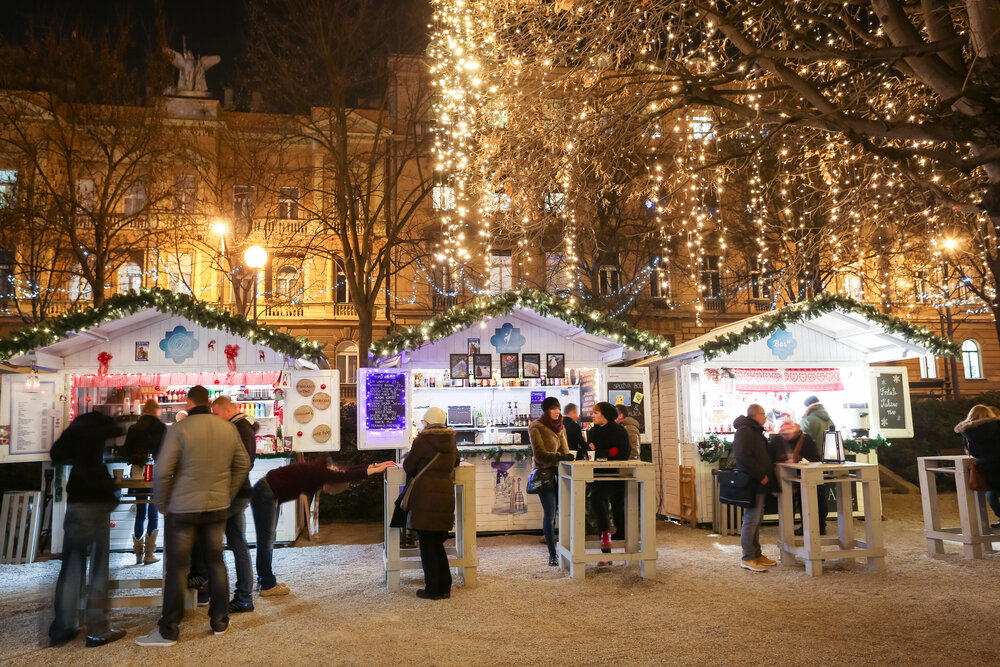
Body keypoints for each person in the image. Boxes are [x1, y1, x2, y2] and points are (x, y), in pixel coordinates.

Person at [135, 385, 251, 647]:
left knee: (178, 567)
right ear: (208, 403)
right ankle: (220, 622)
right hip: (216, 506)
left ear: (189, 402)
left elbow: (164, 470)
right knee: (216, 562)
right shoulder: (228, 428)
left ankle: (169, 630)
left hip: (184, 508)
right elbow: (243, 464)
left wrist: (162, 503)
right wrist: (227, 493)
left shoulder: (179, 429)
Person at [250, 456, 396, 597]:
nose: (325, 490)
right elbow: (346, 476)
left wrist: (377, 465)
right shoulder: (320, 473)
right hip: (265, 493)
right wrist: (376, 470)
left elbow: (347, 471)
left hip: (267, 492)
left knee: (268, 540)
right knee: (266, 541)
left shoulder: (321, 470)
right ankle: (267, 585)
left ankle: (265, 579)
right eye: (328, 489)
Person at [48, 412, 126, 648]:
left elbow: (56, 454)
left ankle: (64, 627)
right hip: (99, 499)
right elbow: (119, 433)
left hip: (77, 499)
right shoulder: (102, 425)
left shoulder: (75, 429)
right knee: (99, 569)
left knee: (71, 566)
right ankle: (97, 630)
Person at [404, 407, 461, 598]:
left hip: (425, 499)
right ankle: (445, 587)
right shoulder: (451, 440)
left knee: (428, 546)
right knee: (438, 543)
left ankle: (433, 589)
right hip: (444, 497)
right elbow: (456, 461)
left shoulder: (421, 440)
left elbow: (409, 466)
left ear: (427, 422)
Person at [211, 396, 259, 613]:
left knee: (221, 541)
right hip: (236, 493)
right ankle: (243, 596)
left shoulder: (240, 428)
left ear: (227, 410)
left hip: (234, 494)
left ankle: (242, 596)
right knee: (237, 542)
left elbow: (244, 464)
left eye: (216, 413)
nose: (215, 417)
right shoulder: (240, 426)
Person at [528, 397, 574, 567]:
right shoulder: (536, 427)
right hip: (545, 473)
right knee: (550, 513)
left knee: (563, 512)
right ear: (546, 410)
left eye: (558, 408)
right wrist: (559, 457)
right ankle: (552, 554)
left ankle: (565, 550)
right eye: (553, 408)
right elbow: (539, 454)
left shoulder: (561, 427)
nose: (556, 411)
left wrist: (566, 458)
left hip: (561, 473)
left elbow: (565, 450)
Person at [733, 403, 778, 573]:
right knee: (751, 520)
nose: (765, 417)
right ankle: (747, 557)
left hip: (759, 482)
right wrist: (761, 476)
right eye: (763, 413)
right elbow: (744, 457)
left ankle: (756, 553)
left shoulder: (755, 431)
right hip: (752, 482)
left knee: (757, 519)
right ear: (754, 415)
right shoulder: (745, 431)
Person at [122, 399, 166, 566]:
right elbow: (165, 451)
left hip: (137, 472)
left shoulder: (134, 428)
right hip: (156, 472)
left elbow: (126, 453)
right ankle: (149, 554)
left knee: (141, 511)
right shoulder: (160, 427)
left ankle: (138, 555)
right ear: (155, 410)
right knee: (154, 511)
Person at [588, 402, 631, 564]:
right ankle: (606, 550)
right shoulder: (592, 431)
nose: (592, 415)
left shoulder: (619, 430)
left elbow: (624, 453)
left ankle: (618, 538)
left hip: (617, 476)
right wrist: (610, 452)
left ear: (605, 414)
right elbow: (591, 451)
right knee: (598, 500)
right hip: (597, 476)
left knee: (617, 507)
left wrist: (601, 452)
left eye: (595, 413)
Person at [768, 418, 826, 535]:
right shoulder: (777, 441)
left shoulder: (805, 439)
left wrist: (800, 458)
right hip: (785, 477)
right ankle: (789, 527)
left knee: (811, 502)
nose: (786, 436)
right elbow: (769, 458)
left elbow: (815, 458)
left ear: (795, 431)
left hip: (805, 476)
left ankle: (818, 526)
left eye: (788, 434)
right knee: (788, 504)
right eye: (783, 434)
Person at [955, 404, 1000, 529]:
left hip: (988, 469)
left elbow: (973, 453)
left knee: (991, 495)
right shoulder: (997, 426)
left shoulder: (967, 432)